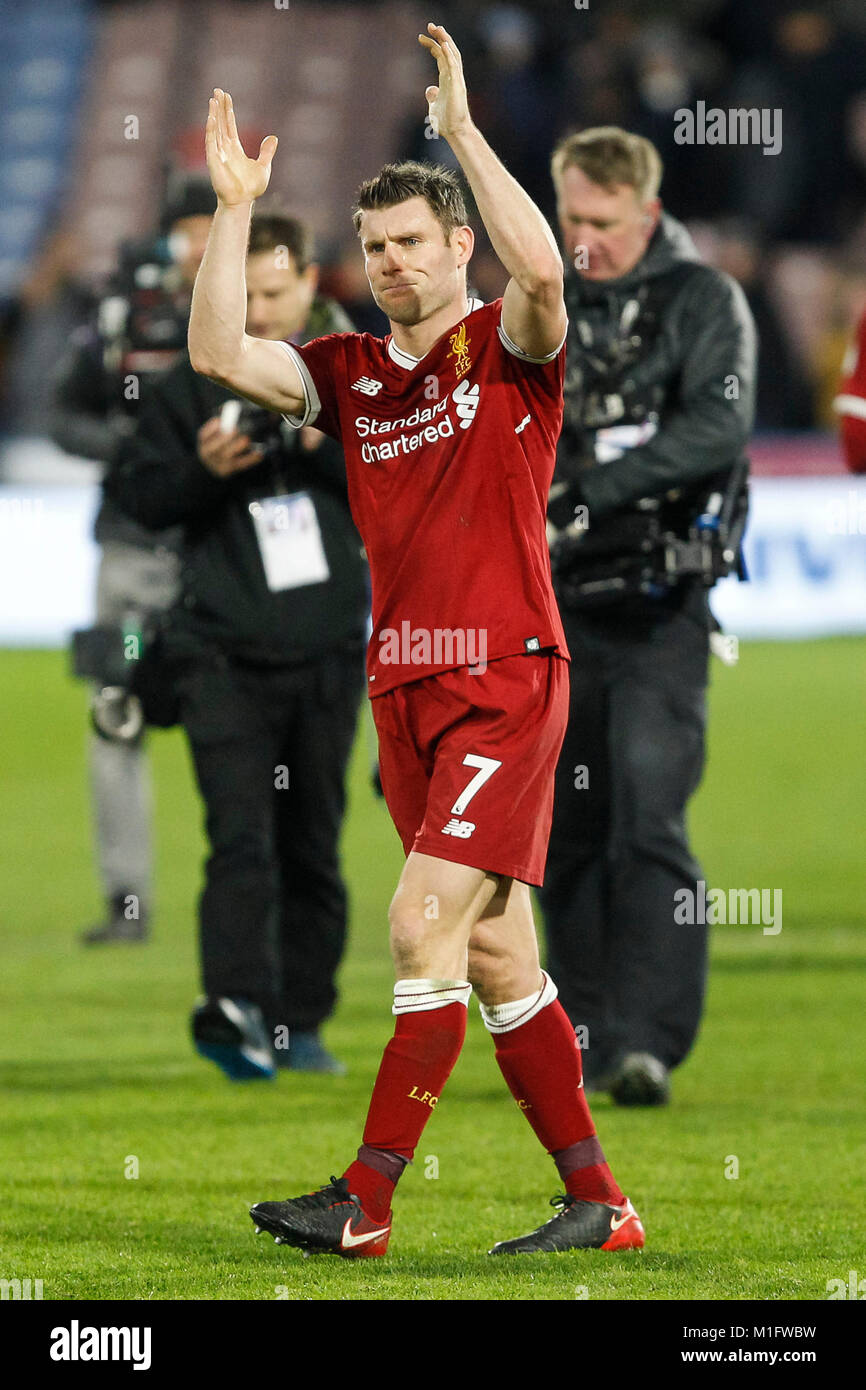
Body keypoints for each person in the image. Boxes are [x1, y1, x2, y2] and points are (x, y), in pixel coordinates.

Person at [188, 24, 645, 1258]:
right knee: (491, 950)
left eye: (412, 243)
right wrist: (235, 210)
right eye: (374, 246)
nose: (391, 262)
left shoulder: (506, 350)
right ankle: (597, 1200)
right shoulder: (345, 372)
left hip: (502, 674)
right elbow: (218, 351)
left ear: (456, 248)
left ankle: (367, 1198)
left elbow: (545, 275)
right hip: (402, 692)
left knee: (416, 920)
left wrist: (459, 136)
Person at [107, 214, 367, 1077]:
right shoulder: (188, 385)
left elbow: (400, 485)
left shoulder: (360, 377)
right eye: (241, 296)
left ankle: (304, 1023)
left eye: (272, 293)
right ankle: (236, 1011)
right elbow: (136, 497)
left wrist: (312, 437)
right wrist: (201, 473)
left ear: (311, 283)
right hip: (220, 650)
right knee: (239, 841)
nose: (256, 311)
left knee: (313, 843)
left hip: (327, 648)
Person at [540, 127, 756, 1106]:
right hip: (555, 602)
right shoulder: (545, 301)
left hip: (661, 603)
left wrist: (587, 493)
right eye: (568, 218)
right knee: (568, 827)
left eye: (600, 222)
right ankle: (582, 1034)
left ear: (648, 212)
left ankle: (648, 1040)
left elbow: (714, 427)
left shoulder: (701, 299)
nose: (581, 239)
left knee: (647, 813)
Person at [51, 179, 215, 944]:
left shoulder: (256, 309)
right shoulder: (123, 320)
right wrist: (128, 449)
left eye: (215, 232)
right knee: (117, 710)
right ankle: (127, 902)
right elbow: (63, 413)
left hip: (217, 566)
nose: (203, 248)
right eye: (191, 234)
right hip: (130, 561)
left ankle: (252, 896)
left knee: (236, 723)